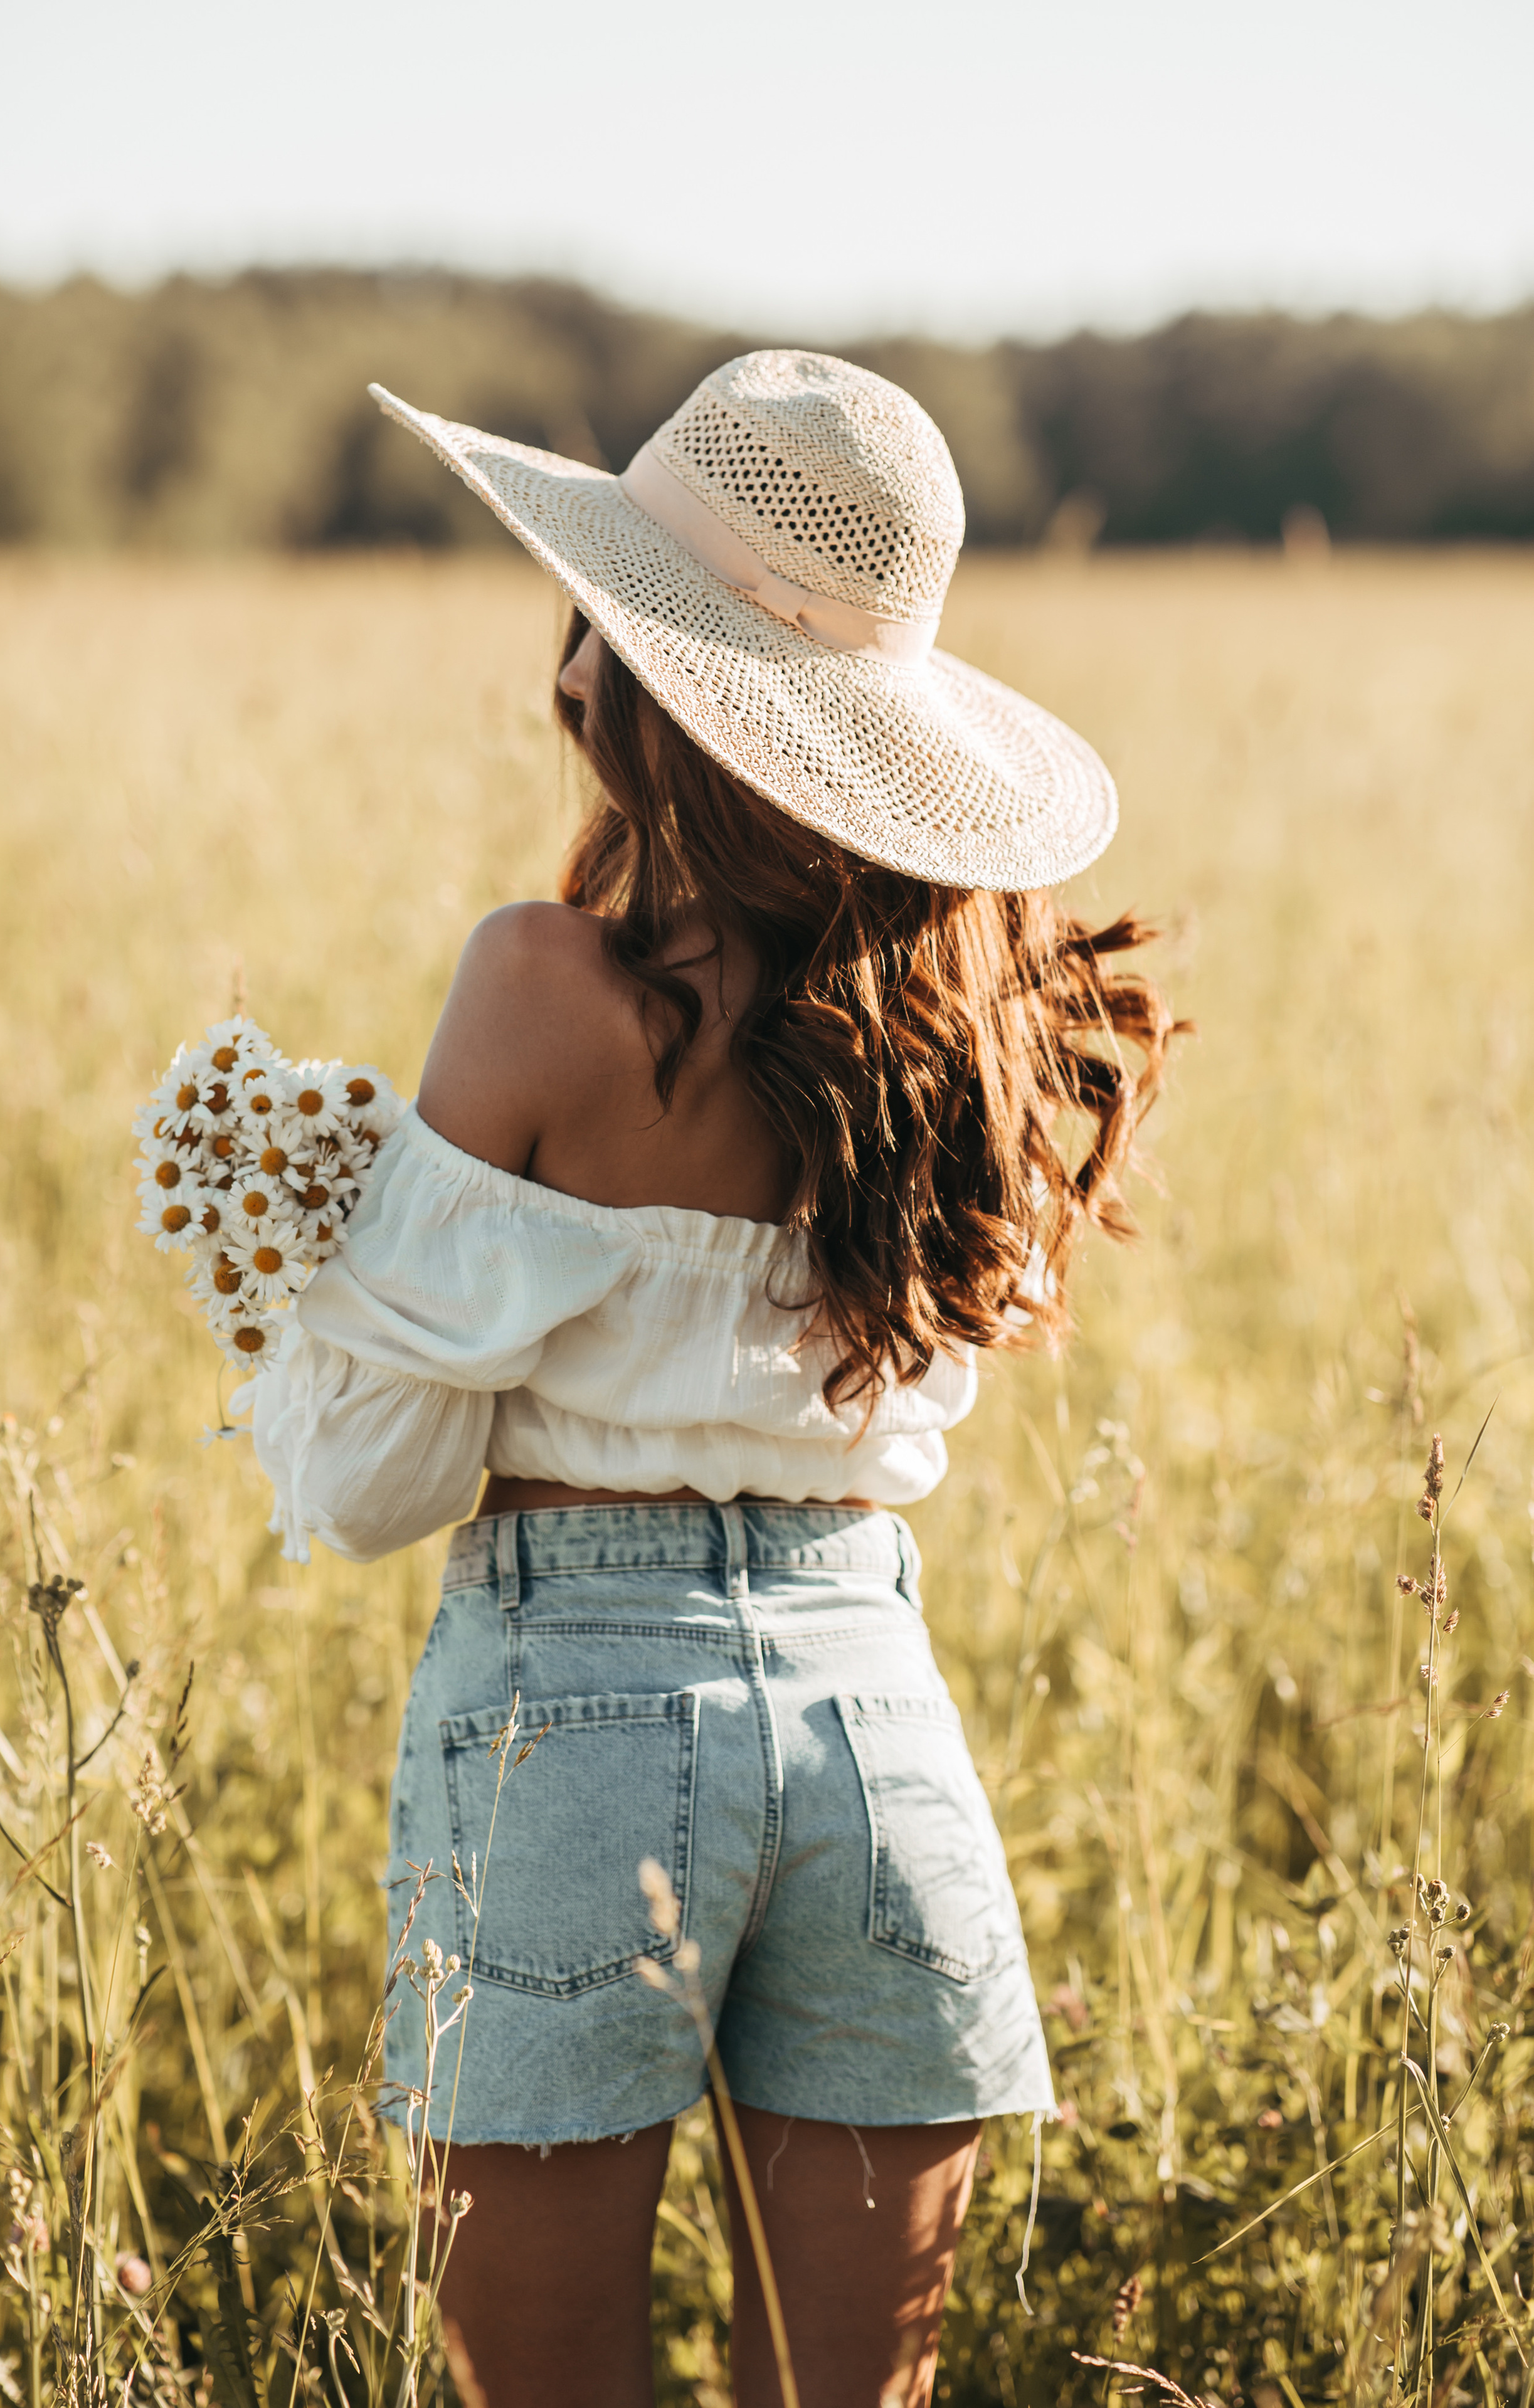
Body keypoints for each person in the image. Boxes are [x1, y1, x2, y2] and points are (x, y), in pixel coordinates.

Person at [245, 352, 1175, 2408]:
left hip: (574, 1708)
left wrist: (308, 1252)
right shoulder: (968, 1028)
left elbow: (374, 1485)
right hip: (875, 1711)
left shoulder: (547, 990)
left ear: (627, 669)